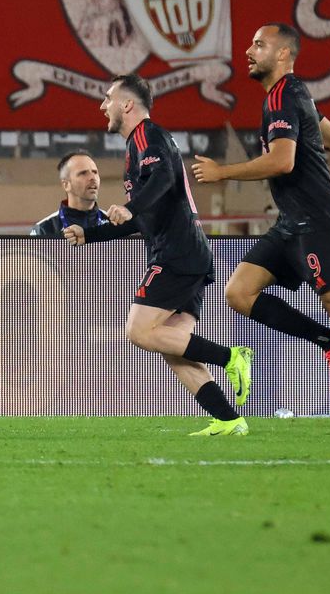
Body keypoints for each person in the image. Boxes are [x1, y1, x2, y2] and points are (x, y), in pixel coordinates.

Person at [192, 23, 330, 431]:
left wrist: (223, 172)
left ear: (283, 55)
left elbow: (282, 161)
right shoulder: (293, 95)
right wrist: (310, 191)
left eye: (259, 44)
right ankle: (329, 341)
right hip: (294, 222)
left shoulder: (283, 95)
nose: (248, 50)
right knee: (239, 292)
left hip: (316, 222)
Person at [65, 75, 253, 437]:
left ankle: (232, 357)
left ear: (127, 105)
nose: (102, 105)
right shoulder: (139, 145)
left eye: (107, 98)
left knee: (137, 331)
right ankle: (229, 419)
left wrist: (132, 206)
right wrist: (90, 233)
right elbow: (140, 218)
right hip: (187, 252)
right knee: (173, 345)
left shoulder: (148, 136)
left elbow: (163, 178)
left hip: (177, 253)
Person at [30, 150, 110, 236]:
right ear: (66, 185)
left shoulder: (114, 225)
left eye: (95, 172)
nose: (92, 177)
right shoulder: (45, 229)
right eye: (83, 173)